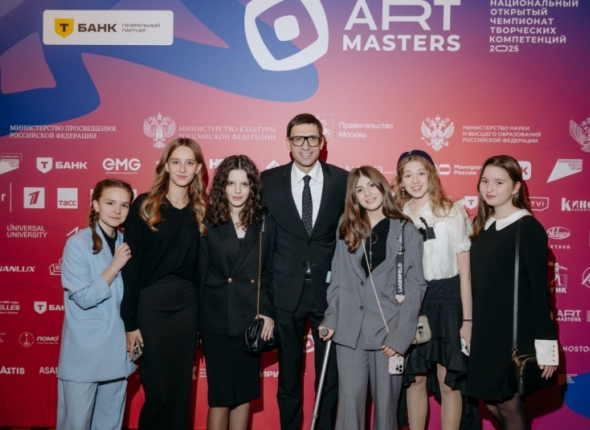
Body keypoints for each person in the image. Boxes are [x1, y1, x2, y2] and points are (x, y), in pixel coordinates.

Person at [319, 166, 427, 430]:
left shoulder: (407, 231)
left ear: (383, 187)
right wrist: (331, 317)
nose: (367, 193)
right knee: (349, 407)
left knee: (387, 410)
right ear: (353, 196)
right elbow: (338, 276)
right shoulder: (346, 226)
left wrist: (401, 336)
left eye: (371, 186)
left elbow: (415, 286)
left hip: (389, 333)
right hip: (349, 332)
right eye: (359, 190)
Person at [261, 113, 348, 430]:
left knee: (329, 376)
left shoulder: (343, 180)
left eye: (312, 138)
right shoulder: (268, 181)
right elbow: (261, 243)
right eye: (298, 138)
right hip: (285, 292)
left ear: (322, 141)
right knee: (288, 376)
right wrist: (264, 302)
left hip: (330, 292)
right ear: (288, 143)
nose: (306, 145)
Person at [467, 155, 558, 430]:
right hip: (486, 333)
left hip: (513, 334)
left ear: (516, 187)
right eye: (485, 181)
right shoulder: (483, 225)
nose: (489, 188)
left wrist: (547, 347)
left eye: (499, 182)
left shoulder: (527, 227)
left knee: (509, 406)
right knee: (492, 405)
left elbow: (539, 291)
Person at [121, 138, 207, 430]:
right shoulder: (145, 205)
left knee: (181, 391)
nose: (182, 169)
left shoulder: (201, 211)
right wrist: (130, 322)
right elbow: (131, 267)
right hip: (151, 307)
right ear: (166, 166)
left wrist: (202, 320)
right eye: (176, 162)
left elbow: (203, 271)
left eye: (189, 162)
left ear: (198, 168)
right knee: (157, 391)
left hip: (187, 308)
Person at [393, 150, 473, 430]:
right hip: (412, 302)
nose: (415, 181)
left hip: (448, 301)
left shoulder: (452, 212)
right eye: (408, 175)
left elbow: (465, 272)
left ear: (432, 175)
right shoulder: (397, 216)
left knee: (448, 381)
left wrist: (467, 321)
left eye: (421, 173)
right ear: (400, 181)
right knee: (414, 380)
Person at [198, 155, 275, 430]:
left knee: (243, 395)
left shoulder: (264, 221)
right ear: (222, 186)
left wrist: (267, 311)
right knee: (220, 397)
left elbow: (269, 271)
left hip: (250, 319)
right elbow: (199, 274)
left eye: (244, 184)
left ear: (253, 187)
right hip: (216, 319)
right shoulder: (208, 221)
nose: (238, 190)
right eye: (231, 183)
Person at [57, 179, 136, 430]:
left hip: (117, 352)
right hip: (84, 352)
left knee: (109, 424)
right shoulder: (77, 244)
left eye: (124, 205)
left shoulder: (127, 243)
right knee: (76, 424)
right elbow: (84, 297)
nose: (117, 210)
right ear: (95, 204)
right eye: (110, 203)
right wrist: (114, 266)